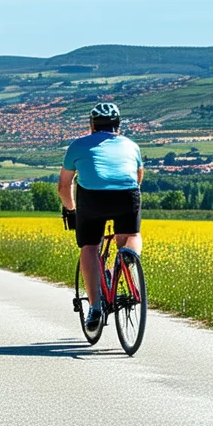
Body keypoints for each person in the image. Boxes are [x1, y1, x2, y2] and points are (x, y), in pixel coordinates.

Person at [57, 103, 143, 335]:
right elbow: (137, 178)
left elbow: (64, 186)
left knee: (90, 246)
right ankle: (127, 261)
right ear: (118, 125)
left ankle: (95, 308)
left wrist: (71, 210)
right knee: (131, 235)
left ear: (92, 124)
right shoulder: (131, 145)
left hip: (92, 200)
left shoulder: (77, 145)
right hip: (126, 196)